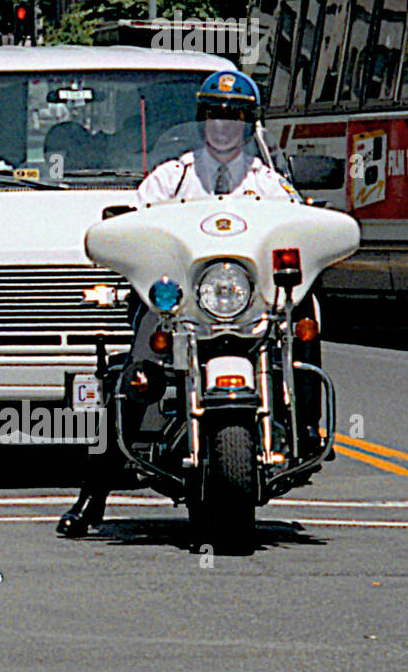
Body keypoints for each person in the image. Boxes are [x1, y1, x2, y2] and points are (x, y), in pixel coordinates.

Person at [55, 70, 303, 538]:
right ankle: (93, 497)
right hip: (181, 311)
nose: (224, 126)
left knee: (302, 331)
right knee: (136, 378)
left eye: (234, 117)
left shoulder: (269, 186)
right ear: (201, 121)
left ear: (250, 124)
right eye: (214, 115)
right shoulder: (174, 177)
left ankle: (300, 427)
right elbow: (133, 222)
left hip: (248, 312)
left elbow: (300, 224)